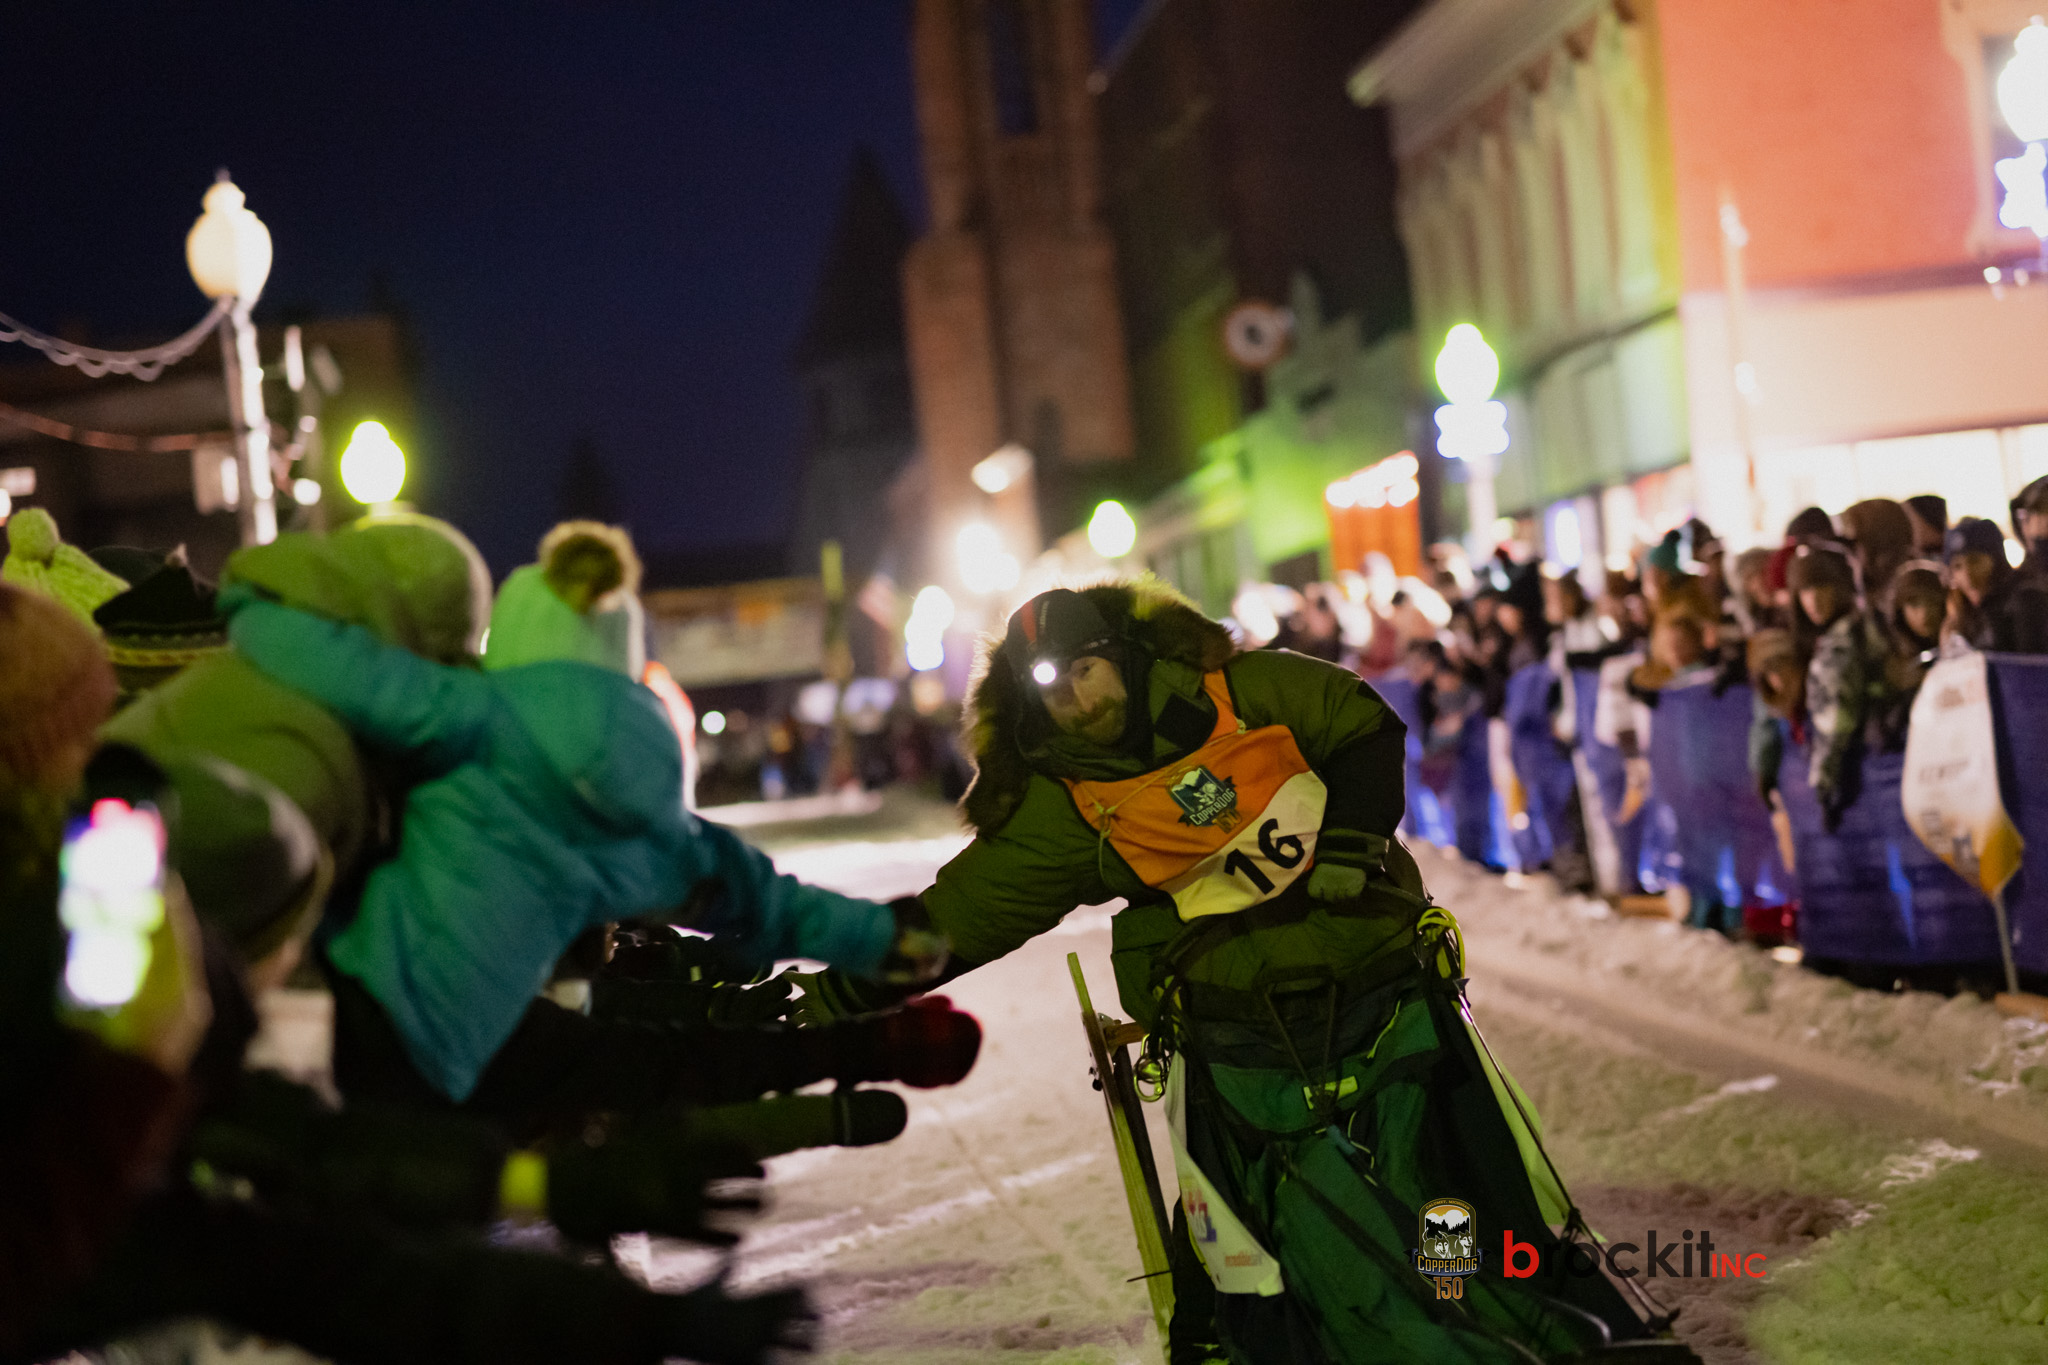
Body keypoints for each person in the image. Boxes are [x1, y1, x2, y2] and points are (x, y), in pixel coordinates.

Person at [815, 584, 1669, 1363]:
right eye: (1052, 686)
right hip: (1235, 1031)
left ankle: (1489, 1309)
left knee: (1444, 1190)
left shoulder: (1244, 689)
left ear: (1122, 655)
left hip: (1378, 979)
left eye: (1086, 670)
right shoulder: (1064, 800)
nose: (1077, 699)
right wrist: (833, 989)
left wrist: (1351, 843)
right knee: (1293, 1215)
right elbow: (961, 916)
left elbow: (1363, 724)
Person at [221, 521, 959, 1107]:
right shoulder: (656, 817)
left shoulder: (471, 713)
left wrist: (246, 602)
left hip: (362, 1005)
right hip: (460, 1054)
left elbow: (337, 666)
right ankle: (854, 1048)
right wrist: (880, 937)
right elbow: (765, 900)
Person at [1789, 547, 1888, 829]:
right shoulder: (1847, 633)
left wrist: (1824, 783)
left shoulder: (1843, 642)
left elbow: (1835, 721)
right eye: (1805, 590)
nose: (1813, 600)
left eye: (1822, 587)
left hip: (1858, 775)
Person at [1942, 515, 2048, 654]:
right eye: (1957, 566)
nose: (1967, 575)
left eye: (1975, 562)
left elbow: (2031, 664)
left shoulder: (2026, 599)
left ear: (1996, 560)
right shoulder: (1966, 617)